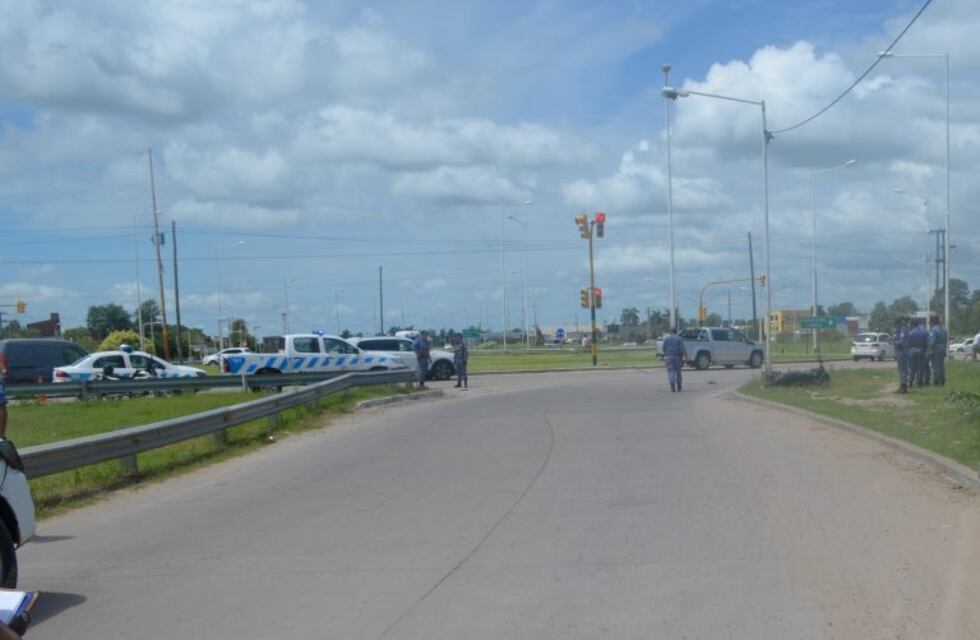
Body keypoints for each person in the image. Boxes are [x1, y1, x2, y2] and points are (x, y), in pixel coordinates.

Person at [661, 328, 688, 392]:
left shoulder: (666, 339)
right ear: (676, 332)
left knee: (671, 371)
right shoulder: (679, 338)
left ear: (670, 332)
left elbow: (663, 348)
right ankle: (679, 386)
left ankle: (672, 385)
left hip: (669, 357)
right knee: (678, 372)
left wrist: (666, 354)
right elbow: (683, 349)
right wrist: (686, 357)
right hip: (678, 357)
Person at [906, 318, 929, 388]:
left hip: (911, 350)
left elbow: (907, 343)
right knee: (920, 367)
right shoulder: (924, 332)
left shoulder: (909, 333)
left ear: (912, 324)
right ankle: (919, 382)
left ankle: (910, 381)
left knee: (911, 367)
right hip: (920, 350)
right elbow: (927, 342)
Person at [928, 316, 948, 386]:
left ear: (932, 322)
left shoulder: (933, 330)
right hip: (942, 348)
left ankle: (936, 381)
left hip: (936, 348)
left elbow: (932, 341)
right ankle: (942, 380)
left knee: (935, 366)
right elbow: (946, 340)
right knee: (941, 366)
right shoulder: (944, 329)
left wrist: (929, 350)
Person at [893, 316, 910, 394]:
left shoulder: (903, 330)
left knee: (902, 370)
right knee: (901, 370)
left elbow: (902, 341)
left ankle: (904, 388)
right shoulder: (900, 330)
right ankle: (902, 386)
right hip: (901, 352)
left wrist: (894, 342)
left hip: (902, 352)